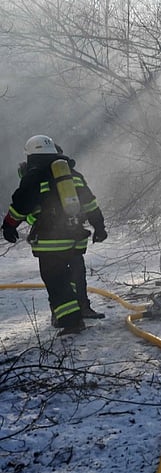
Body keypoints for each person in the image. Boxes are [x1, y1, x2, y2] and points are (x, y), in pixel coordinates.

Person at [2, 135, 107, 335]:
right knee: (73, 274)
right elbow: (90, 203)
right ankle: (78, 310)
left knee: (56, 280)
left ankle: (71, 322)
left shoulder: (34, 176)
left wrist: (9, 225)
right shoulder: (73, 175)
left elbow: (20, 204)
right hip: (76, 236)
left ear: (32, 154)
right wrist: (99, 227)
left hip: (51, 241)